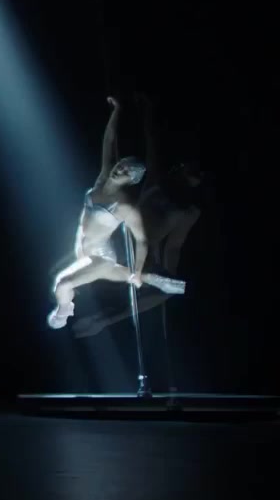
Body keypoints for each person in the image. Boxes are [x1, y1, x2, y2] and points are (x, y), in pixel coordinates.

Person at [48, 96, 184, 329]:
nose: (118, 170)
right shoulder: (102, 179)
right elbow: (109, 141)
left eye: (125, 172)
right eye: (121, 165)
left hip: (100, 256)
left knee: (62, 285)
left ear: (131, 180)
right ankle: (155, 281)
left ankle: (64, 311)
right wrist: (116, 111)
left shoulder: (124, 207)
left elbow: (141, 241)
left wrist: (137, 271)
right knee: (104, 274)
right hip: (83, 247)